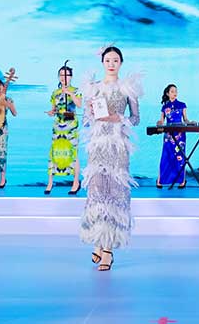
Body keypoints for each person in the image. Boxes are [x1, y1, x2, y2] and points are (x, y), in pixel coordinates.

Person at [80, 46, 142, 272]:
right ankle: (98, 239)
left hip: (117, 145)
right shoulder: (94, 87)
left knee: (114, 193)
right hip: (97, 145)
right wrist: (89, 110)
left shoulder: (128, 88)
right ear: (102, 62)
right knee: (97, 191)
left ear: (121, 62)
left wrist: (120, 118)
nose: (111, 64)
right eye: (108, 60)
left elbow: (136, 118)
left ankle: (108, 250)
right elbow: (86, 120)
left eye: (115, 60)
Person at [45, 63, 82, 195]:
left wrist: (70, 93)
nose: (63, 77)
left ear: (71, 77)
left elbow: (79, 104)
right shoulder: (55, 93)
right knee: (54, 152)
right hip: (58, 125)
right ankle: (50, 182)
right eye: (61, 75)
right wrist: (51, 112)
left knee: (73, 153)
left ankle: (75, 182)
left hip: (71, 125)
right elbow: (54, 109)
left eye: (66, 75)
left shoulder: (76, 90)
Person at [156, 84, 189, 188]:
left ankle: (182, 180)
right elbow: (162, 120)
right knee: (166, 155)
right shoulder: (165, 107)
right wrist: (159, 122)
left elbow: (185, 119)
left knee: (180, 156)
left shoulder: (182, 105)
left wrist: (190, 122)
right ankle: (160, 179)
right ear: (168, 93)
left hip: (180, 133)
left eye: (176, 91)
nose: (175, 93)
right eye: (172, 91)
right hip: (168, 134)